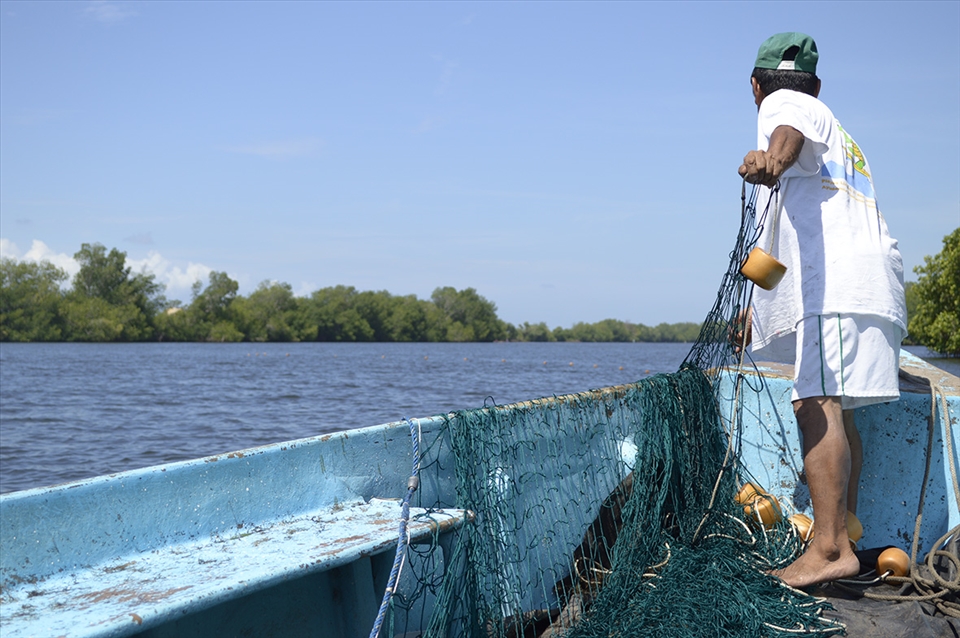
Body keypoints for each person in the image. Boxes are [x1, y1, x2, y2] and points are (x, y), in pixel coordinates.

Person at [737, 32, 907, 588]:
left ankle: (829, 548)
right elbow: (790, 233)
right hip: (871, 285)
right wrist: (756, 307)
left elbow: (786, 134)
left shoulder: (787, 106)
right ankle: (844, 534)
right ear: (817, 80)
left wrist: (769, 160)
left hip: (840, 287)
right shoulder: (839, 136)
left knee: (815, 403)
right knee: (840, 409)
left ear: (756, 86)